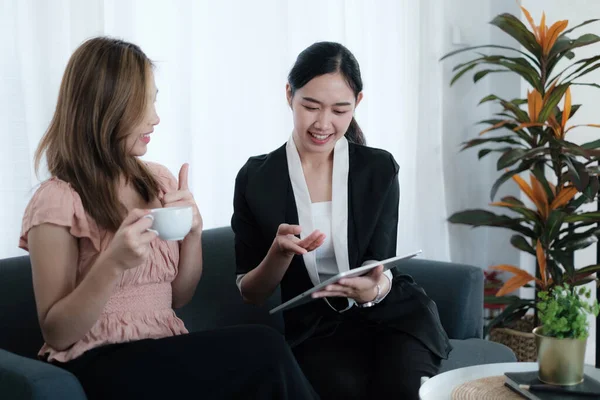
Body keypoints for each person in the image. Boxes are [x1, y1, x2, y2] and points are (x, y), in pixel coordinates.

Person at [19, 36, 317, 400]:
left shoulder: (156, 180)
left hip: (162, 348)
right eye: (141, 105)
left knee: (259, 363)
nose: (155, 118)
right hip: (94, 361)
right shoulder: (57, 200)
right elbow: (57, 333)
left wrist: (193, 230)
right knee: (263, 348)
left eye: (153, 100)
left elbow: (178, 297)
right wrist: (111, 263)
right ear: (104, 108)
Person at [232, 41, 452, 399]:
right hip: (318, 329)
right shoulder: (257, 179)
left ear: (357, 104)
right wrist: (279, 254)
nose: (323, 123)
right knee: (344, 388)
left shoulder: (378, 169)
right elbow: (251, 294)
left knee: (406, 388)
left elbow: (381, 265)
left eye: (339, 110)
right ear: (289, 94)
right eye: (311, 106)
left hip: (392, 313)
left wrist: (372, 290)